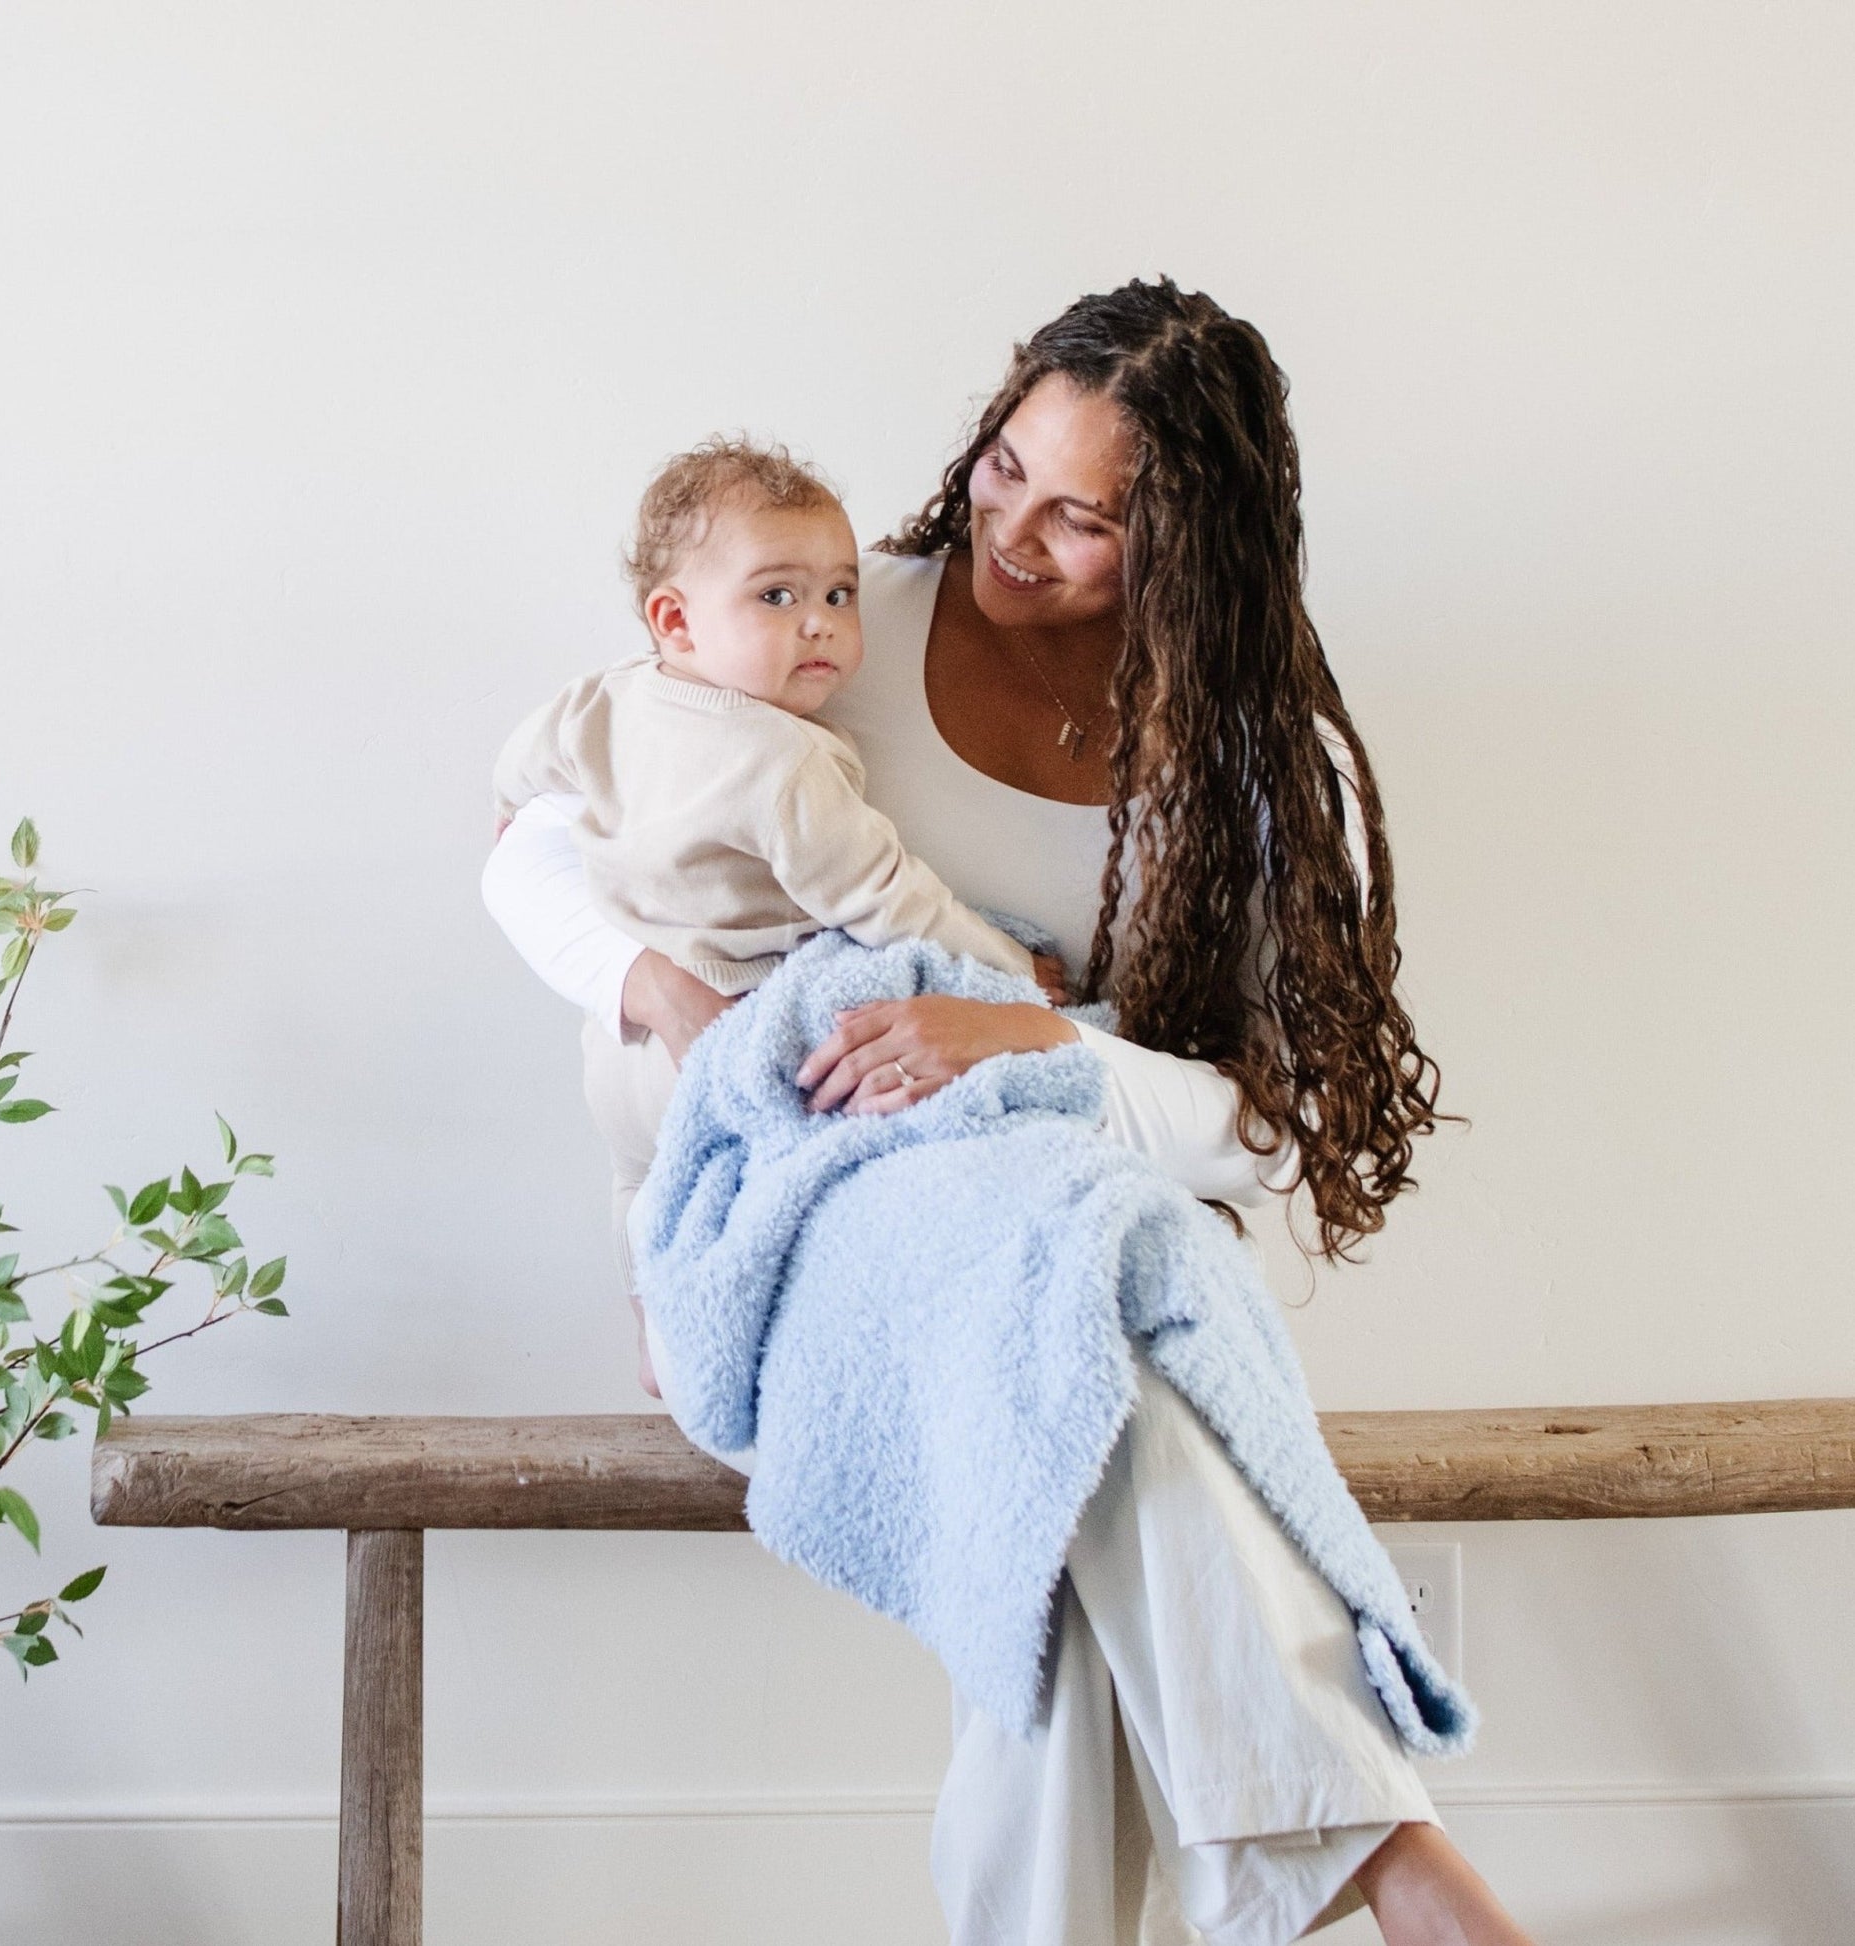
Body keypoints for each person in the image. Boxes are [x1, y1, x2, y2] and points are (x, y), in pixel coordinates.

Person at [483, 278, 1536, 1945]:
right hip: (813, 1211)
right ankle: (1374, 1846)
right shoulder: (828, 620)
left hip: (1072, 1219)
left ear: (1189, 552)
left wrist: (1022, 1046)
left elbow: (1263, 1131)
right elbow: (546, 834)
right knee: (1083, 1323)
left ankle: (1305, 1861)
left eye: (1085, 519)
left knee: (1071, 1399)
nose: (1016, 536)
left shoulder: (1251, 767)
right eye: (1001, 468)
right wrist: (677, 1007)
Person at [490, 437, 1044, 1396]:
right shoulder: (786, 764)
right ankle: (759, 1354)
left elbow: (518, 770)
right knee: (782, 1190)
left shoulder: (606, 700)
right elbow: (886, 898)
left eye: (839, 593)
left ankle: (652, 1337)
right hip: (732, 1030)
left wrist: (509, 813)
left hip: (614, 1041)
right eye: (777, 597)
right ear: (678, 620)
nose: (821, 625)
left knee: (638, 1187)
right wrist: (1015, 974)